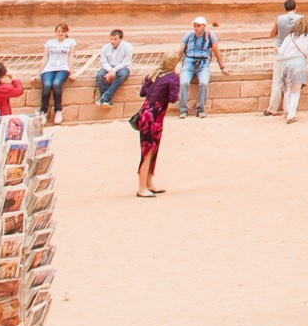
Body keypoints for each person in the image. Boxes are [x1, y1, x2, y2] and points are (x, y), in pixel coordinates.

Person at [135, 53, 179, 197]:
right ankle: (142, 187)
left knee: (150, 149)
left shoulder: (153, 75)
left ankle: (148, 183)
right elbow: (173, 98)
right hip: (155, 115)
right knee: (149, 151)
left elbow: (143, 92)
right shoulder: (172, 77)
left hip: (146, 113)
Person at [178, 16, 224, 118]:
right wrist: (172, 66)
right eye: (194, 26)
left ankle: (201, 109)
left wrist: (222, 67)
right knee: (184, 83)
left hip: (203, 63)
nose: (196, 28)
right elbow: (180, 51)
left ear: (204, 26)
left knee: (204, 83)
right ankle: (183, 110)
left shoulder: (210, 36)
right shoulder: (189, 35)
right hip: (189, 62)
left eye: (198, 26)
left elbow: (217, 51)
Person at [277, 15, 308, 122]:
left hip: (287, 64)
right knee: (296, 90)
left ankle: (287, 110)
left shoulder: (289, 36)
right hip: (299, 64)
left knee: (288, 88)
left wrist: (276, 48)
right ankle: (291, 114)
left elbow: (281, 52)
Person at [265, 0, 300, 116]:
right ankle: (287, 109)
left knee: (277, 81)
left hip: (280, 51)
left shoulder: (279, 19)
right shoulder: (301, 19)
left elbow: (271, 33)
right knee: (290, 82)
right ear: (296, 7)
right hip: (294, 53)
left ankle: (272, 108)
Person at [93, 28, 133, 106]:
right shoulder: (105, 47)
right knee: (100, 75)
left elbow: (125, 62)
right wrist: (110, 70)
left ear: (120, 39)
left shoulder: (127, 46)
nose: (112, 41)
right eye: (111, 39)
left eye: (115, 39)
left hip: (122, 67)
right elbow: (104, 61)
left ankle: (104, 97)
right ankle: (107, 100)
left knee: (123, 74)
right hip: (109, 67)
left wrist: (113, 71)